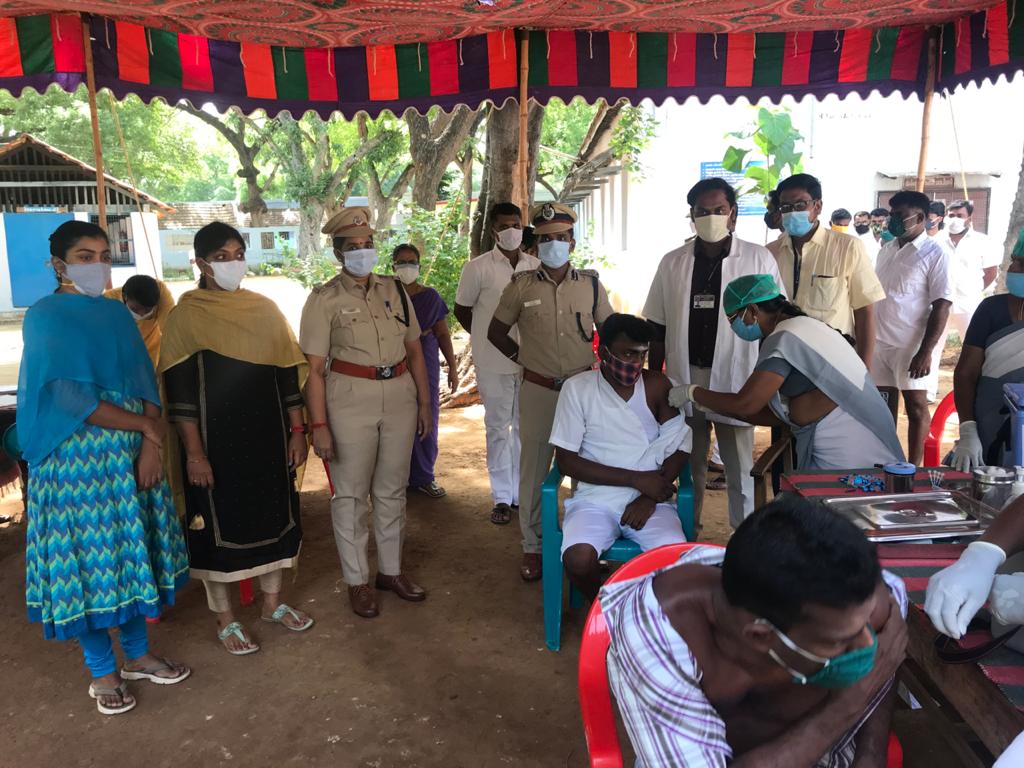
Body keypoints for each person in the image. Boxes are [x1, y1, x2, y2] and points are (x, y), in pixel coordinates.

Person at [20, 221, 190, 716]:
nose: (97, 265)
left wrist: (151, 443)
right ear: (58, 264)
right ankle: (102, 672)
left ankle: (137, 656)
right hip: (75, 463)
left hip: (133, 453)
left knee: (132, 552)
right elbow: (72, 397)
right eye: (84, 256)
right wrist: (148, 429)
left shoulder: (117, 316)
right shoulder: (46, 317)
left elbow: (144, 381)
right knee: (89, 565)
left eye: (103, 255)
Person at [601, 497, 908, 766]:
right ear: (761, 636)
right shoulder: (659, 633)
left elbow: (884, 663)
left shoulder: (867, 603)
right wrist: (846, 705)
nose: (867, 647)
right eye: (840, 641)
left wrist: (870, 757)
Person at [161, 222, 313, 654]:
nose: (233, 263)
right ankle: (225, 619)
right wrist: (194, 454)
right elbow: (182, 397)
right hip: (214, 446)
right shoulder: (187, 316)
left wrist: (297, 431)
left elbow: (287, 377)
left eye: (238, 252)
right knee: (215, 528)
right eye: (222, 256)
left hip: (269, 438)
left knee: (273, 516)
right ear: (201, 263)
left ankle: (272, 604)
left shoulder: (264, 309)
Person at [300, 207, 432, 618]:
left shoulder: (395, 291)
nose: (363, 252)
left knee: (392, 490)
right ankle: (357, 580)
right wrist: (318, 425)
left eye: (368, 245)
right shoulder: (323, 299)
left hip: (399, 395)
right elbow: (314, 370)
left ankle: (390, 572)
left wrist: (426, 402)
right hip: (348, 399)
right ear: (339, 254)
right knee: (352, 496)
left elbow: (414, 350)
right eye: (353, 247)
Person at [644, 178, 783, 531]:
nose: (711, 217)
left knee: (739, 464)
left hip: (739, 376)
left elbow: (775, 323)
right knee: (688, 461)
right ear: (691, 216)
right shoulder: (671, 262)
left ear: (732, 215)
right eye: (702, 212)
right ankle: (687, 531)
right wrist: (655, 377)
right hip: (685, 374)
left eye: (719, 210)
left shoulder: (757, 257)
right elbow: (657, 325)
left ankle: (745, 537)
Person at [488, 202, 613, 581]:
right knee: (534, 470)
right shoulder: (520, 286)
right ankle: (533, 547)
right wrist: (522, 358)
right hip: (538, 390)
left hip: (582, 391)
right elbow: (495, 331)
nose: (553, 245)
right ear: (535, 246)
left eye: (560, 238)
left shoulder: (590, 284)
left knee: (588, 469)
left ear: (572, 242)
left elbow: (607, 331)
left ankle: (586, 542)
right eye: (545, 240)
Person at [671, 275, 904, 470]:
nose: (734, 327)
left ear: (752, 310)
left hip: (851, 450)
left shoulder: (784, 338)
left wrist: (693, 393)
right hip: (848, 443)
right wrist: (715, 404)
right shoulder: (807, 327)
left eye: (733, 318)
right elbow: (775, 414)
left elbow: (747, 405)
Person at [550, 313, 692, 601]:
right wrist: (635, 480)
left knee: (674, 564)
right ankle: (609, 610)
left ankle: (645, 614)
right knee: (578, 560)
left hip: (651, 499)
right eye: (628, 353)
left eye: (642, 354)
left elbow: (680, 444)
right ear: (604, 352)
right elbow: (566, 460)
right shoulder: (577, 389)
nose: (637, 363)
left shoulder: (657, 385)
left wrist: (650, 496)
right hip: (596, 498)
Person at [454, 203, 540, 524]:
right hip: (492, 359)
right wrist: (482, 338)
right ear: (493, 231)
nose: (512, 231)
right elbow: (462, 310)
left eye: (516, 224)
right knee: (497, 427)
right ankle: (501, 497)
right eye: (505, 226)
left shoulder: (534, 264)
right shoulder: (477, 268)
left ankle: (520, 493)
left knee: (524, 427)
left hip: (529, 359)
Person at [768, 174, 884, 366]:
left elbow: (864, 312)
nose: (792, 213)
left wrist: (865, 370)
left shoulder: (848, 248)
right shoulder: (771, 252)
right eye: (785, 207)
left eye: (799, 205)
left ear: (818, 206)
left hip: (832, 361)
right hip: (782, 361)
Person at [873, 191, 952, 465]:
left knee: (916, 406)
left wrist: (925, 351)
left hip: (911, 345)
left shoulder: (935, 254)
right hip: (879, 342)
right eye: (891, 214)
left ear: (919, 217)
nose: (892, 220)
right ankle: (886, 462)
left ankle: (914, 468)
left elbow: (942, 305)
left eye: (899, 215)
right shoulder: (886, 249)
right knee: (882, 408)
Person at [950, 230, 1024, 471]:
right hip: (987, 427)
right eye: (1014, 260)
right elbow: (965, 373)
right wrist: (968, 430)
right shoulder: (992, 309)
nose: (1013, 268)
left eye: (1022, 264)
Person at [393, 243, 458, 499]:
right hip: (394, 362)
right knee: (395, 420)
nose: (407, 266)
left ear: (419, 266)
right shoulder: (386, 295)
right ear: (393, 266)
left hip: (427, 362)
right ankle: (396, 478)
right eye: (402, 262)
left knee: (426, 414)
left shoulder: (430, 297)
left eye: (412, 262)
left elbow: (443, 333)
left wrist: (453, 368)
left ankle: (424, 476)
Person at [939, 199, 1001, 344]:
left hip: (968, 303)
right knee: (933, 347)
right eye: (951, 215)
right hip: (940, 302)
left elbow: (991, 272)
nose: (954, 219)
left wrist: (973, 289)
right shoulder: (938, 241)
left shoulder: (981, 241)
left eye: (959, 216)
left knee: (972, 345)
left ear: (969, 218)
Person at [105, 274, 176, 368]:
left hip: (151, 346)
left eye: (147, 310)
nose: (142, 314)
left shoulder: (162, 293)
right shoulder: (107, 302)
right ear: (125, 297)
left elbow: (169, 330)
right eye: (136, 309)